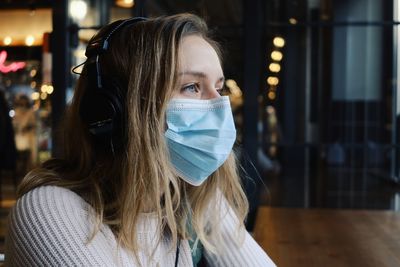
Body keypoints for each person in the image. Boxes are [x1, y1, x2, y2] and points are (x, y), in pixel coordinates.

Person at [5, 14, 276, 266]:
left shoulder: (192, 195)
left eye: (218, 87)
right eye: (191, 86)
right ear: (115, 111)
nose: (219, 107)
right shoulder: (47, 211)